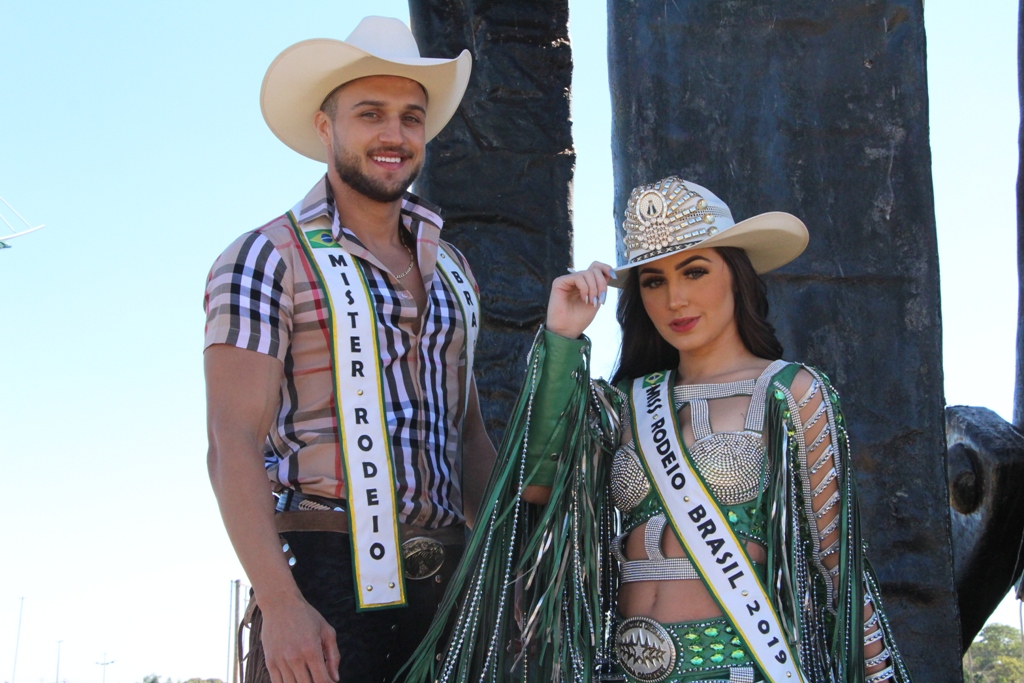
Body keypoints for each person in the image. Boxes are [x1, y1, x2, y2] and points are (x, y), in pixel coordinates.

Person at [403, 176, 912, 682]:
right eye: (654, 281)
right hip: (624, 669)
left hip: (745, 666)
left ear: (737, 274)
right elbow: (538, 487)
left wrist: (879, 675)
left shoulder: (791, 390)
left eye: (694, 272)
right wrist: (561, 340)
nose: (675, 300)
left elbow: (836, 565)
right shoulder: (624, 403)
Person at [203, 16, 495, 683]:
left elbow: (468, 436)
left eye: (410, 117)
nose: (394, 134)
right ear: (326, 126)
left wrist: (512, 562)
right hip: (322, 573)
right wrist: (280, 604)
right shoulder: (264, 256)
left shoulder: (453, 268)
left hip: (445, 581)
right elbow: (231, 439)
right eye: (371, 114)